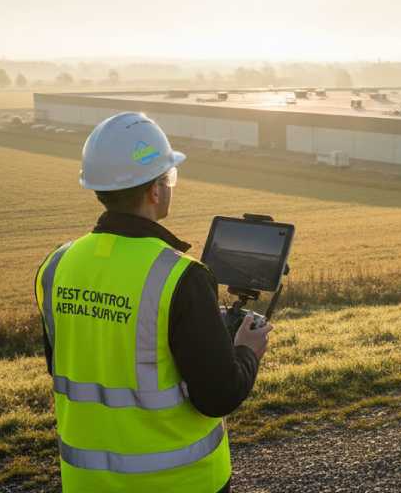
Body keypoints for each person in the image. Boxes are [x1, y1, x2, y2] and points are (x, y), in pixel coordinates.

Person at [35, 111, 272, 493]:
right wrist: (246, 351)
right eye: (169, 176)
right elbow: (219, 395)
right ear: (156, 191)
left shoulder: (57, 265)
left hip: (86, 482)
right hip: (181, 482)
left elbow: (70, 362)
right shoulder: (182, 277)